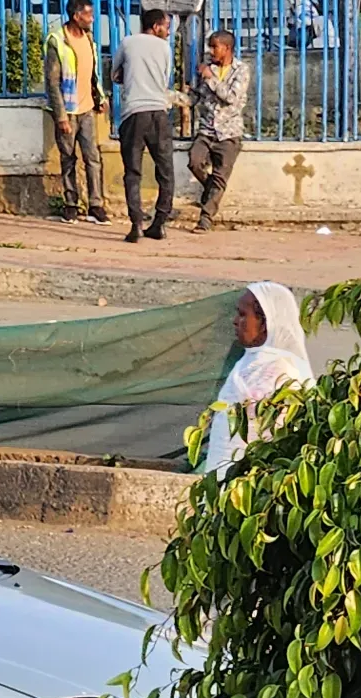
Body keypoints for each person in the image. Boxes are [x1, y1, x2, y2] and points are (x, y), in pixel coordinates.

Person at [199, 282, 315, 476]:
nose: (235, 321)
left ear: (265, 323)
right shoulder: (248, 362)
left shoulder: (284, 372)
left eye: (243, 315)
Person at [112, 8, 177, 243]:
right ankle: (160, 222)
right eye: (166, 27)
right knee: (165, 171)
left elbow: (114, 75)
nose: (168, 32)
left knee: (133, 172)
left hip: (134, 113)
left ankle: (136, 224)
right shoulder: (165, 48)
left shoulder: (127, 43)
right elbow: (165, 78)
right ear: (156, 26)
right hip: (159, 112)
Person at [44, 0, 108, 224]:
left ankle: (96, 205)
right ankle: (71, 204)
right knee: (68, 158)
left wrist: (100, 97)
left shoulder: (89, 38)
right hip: (68, 111)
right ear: (76, 16)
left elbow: (93, 73)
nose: (92, 19)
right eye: (88, 15)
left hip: (87, 108)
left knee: (93, 158)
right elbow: (52, 82)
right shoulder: (57, 41)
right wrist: (61, 116)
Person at [188, 31, 249, 233]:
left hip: (229, 133)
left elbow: (231, 97)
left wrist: (210, 78)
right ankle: (210, 189)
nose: (211, 51)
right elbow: (197, 97)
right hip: (207, 129)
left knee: (220, 176)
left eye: (215, 47)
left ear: (227, 48)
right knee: (195, 161)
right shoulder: (209, 68)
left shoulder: (241, 70)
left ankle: (205, 218)